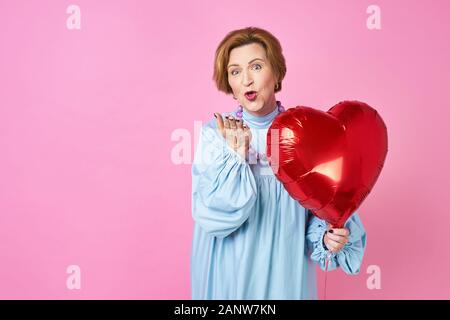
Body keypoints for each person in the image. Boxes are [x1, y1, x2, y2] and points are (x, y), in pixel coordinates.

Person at [190, 26, 366, 299]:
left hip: (285, 274)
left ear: (276, 73)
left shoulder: (305, 134)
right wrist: (237, 157)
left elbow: (317, 213)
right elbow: (213, 217)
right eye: (235, 71)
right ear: (229, 83)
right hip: (227, 273)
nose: (247, 80)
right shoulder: (216, 134)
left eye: (256, 67)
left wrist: (325, 237)